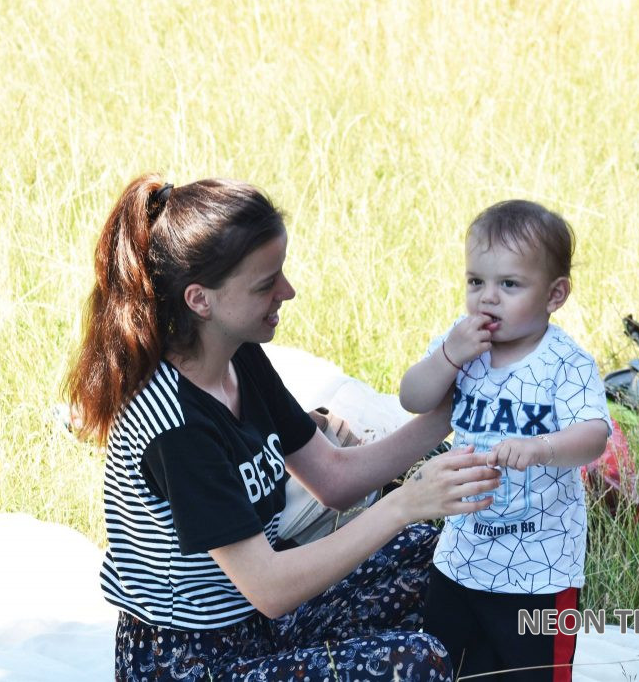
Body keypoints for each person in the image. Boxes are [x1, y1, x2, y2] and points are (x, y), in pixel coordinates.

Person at [64, 174, 501, 681]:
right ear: (200, 300)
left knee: (436, 555)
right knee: (415, 661)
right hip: (188, 664)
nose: (287, 291)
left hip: (257, 629)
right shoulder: (175, 428)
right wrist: (406, 502)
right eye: (265, 283)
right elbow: (270, 589)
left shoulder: (238, 356)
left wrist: (452, 409)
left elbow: (333, 478)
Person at [399, 200, 611, 681]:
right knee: (449, 666)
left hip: (540, 569)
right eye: (476, 281)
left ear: (555, 295)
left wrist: (543, 448)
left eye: (509, 285)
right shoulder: (461, 346)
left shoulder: (565, 362)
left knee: (532, 673)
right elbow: (413, 397)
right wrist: (449, 356)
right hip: (460, 557)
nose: (486, 298)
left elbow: (594, 436)